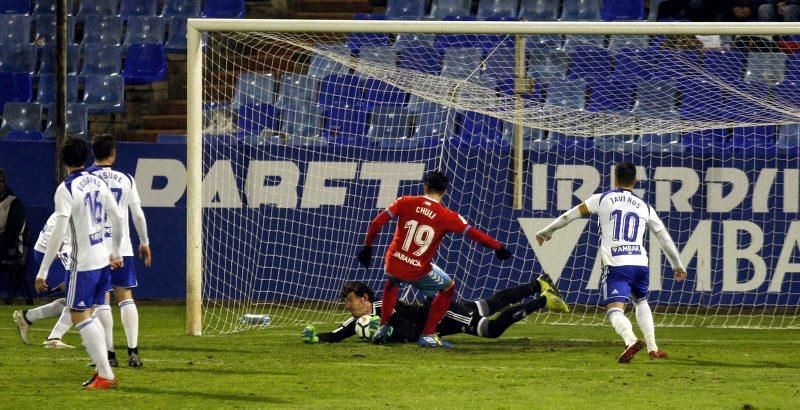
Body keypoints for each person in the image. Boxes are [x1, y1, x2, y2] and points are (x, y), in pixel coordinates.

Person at [535, 162, 687, 363]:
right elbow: (663, 237)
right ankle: (653, 348)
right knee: (641, 300)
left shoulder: (601, 199)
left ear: (615, 179)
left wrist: (547, 231)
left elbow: (568, 216)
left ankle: (631, 340)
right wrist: (677, 266)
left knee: (615, 309)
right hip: (640, 263)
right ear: (635, 181)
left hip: (617, 264)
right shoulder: (644, 206)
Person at [356, 171, 512, 348]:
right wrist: (498, 247)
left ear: (425, 186)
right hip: (417, 269)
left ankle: (383, 327)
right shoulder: (448, 216)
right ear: (445, 191)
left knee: (392, 283)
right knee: (448, 288)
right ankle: (428, 334)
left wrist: (367, 248)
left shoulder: (405, 201)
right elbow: (475, 235)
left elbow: (376, 223)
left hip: (393, 262)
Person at [34, 137, 125, 390]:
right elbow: (118, 216)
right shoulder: (98, 180)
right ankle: (103, 371)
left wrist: (43, 270)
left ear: (63, 161)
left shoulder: (66, 188)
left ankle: (105, 374)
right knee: (89, 312)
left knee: (78, 314)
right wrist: (115, 252)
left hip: (82, 262)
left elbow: (59, 231)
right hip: (102, 258)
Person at [300, 276, 569, 344]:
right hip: (441, 317)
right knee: (488, 305)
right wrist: (316, 337)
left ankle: (543, 300)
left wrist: (387, 332)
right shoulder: (359, 320)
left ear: (365, 298)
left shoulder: (384, 306)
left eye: (350, 300)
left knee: (491, 329)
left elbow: (407, 331)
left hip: (440, 316)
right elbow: (336, 335)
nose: (348, 306)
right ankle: (538, 283)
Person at [86, 134, 151, 368]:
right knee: (125, 296)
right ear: (113, 153)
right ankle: (133, 352)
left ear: (93, 152)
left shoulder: (83, 179)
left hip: (94, 247)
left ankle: (109, 356)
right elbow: (138, 214)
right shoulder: (126, 179)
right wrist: (144, 242)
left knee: (102, 299)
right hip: (122, 246)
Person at [12, 212, 75, 349]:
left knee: (77, 298)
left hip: (51, 252)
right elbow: (59, 240)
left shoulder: (73, 201)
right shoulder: (73, 206)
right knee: (78, 297)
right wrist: (43, 272)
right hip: (53, 255)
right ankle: (53, 338)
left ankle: (28, 317)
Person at [0, 167, 26, 266]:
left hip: (8, 246)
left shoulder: (13, 203)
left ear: (5, 183)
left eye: (1, 181)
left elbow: (12, 233)